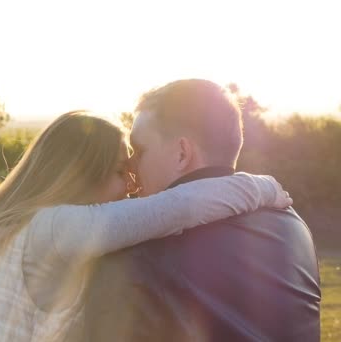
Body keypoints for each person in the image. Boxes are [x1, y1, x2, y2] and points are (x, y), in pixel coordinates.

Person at [0, 110, 291, 341]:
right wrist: (264, 186)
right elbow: (180, 206)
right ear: (83, 174)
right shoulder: (55, 229)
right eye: (122, 170)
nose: (132, 184)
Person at [83, 79, 321, 341]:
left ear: (182, 154)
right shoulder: (293, 227)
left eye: (139, 151)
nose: (130, 166)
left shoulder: (133, 254)